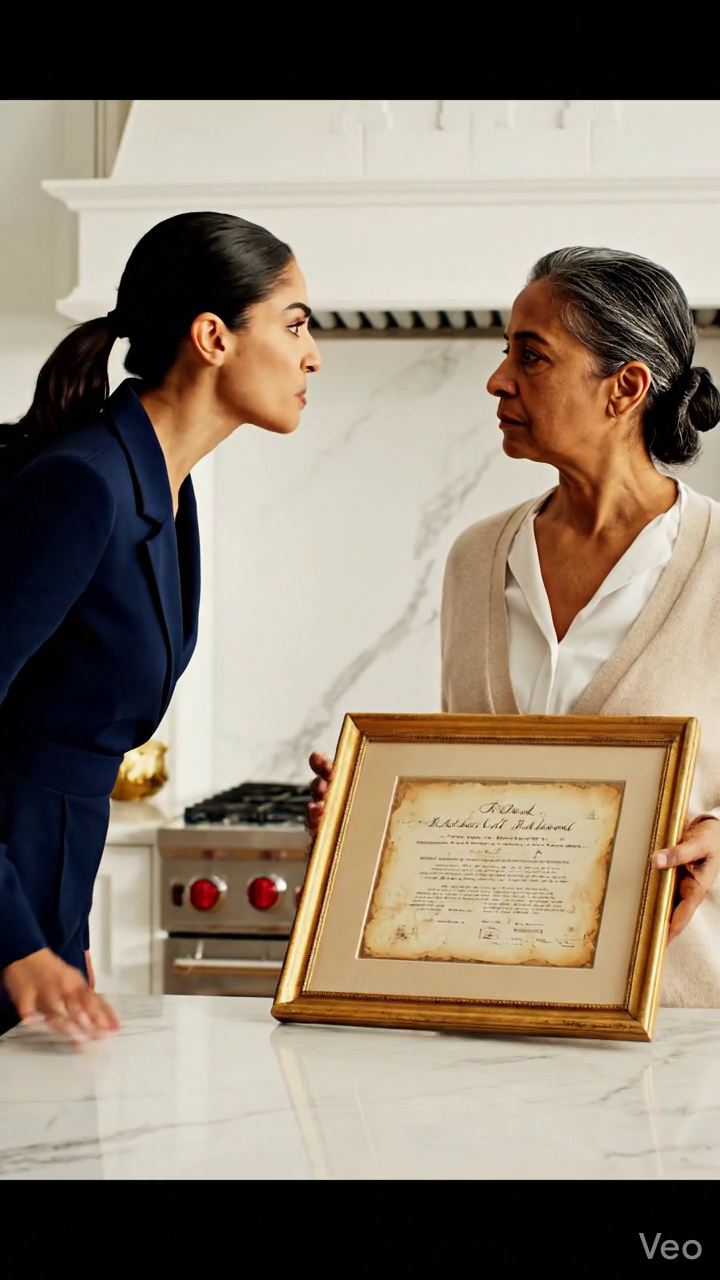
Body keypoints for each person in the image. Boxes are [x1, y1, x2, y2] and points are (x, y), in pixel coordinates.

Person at [307, 245, 720, 1008]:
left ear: (625, 388)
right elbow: (474, 791)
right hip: (489, 1017)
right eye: (507, 353)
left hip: (681, 1024)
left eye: (532, 358)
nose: (498, 380)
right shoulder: (476, 559)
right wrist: (377, 810)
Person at [0, 211, 320, 1041]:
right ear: (213, 336)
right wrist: (18, 942)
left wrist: (59, 931)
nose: (312, 353)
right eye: (293, 324)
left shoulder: (164, 490)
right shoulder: (81, 485)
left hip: (47, 896)